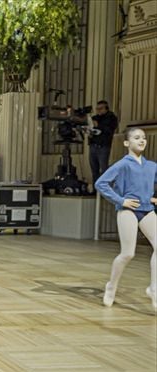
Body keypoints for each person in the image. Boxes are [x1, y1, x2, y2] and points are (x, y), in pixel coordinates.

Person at [94, 127, 156, 311]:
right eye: (137, 138)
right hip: (128, 211)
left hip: (148, 211)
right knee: (128, 253)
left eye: (144, 138)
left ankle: (154, 289)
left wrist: (152, 198)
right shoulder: (123, 164)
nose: (142, 140)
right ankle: (111, 286)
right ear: (127, 143)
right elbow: (101, 183)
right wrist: (121, 200)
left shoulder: (152, 166)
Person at [89, 100, 119, 184]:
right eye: (97, 109)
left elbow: (109, 129)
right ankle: (95, 190)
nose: (98, 110)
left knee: (104, 169)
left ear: (106, 109)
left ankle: (105, 188)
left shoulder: (111, 117)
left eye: (101, 108)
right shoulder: (95, 117)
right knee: (94, 169)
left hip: (103, 146)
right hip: (93, 145)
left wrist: (98, 125)